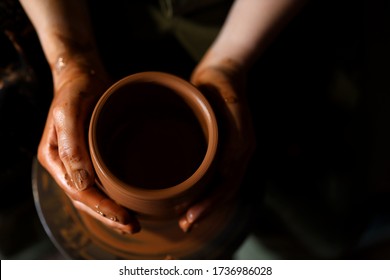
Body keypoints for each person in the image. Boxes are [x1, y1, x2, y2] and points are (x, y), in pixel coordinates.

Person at [17, 0, 306, 236]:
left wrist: (232, 60)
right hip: (89, 16)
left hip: (247, 18)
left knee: (310, 219)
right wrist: (71, 60)